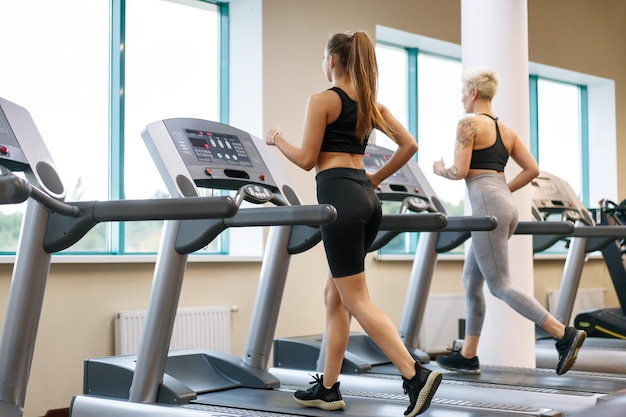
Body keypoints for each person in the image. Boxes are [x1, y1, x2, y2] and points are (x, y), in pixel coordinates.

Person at [265, 30, 441, 416]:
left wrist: (278, 140)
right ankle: (328, 387)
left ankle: (414, 374)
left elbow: (308, 159)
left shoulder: (323, 100)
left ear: (332, 60)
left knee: (356, 299)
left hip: (339, 196)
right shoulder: (370, 103)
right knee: (336, 296)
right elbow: (409, 145)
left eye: (322, 57)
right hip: (366, 195)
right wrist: (375, 180)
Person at [432, 67, 587, 376]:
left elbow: (460, 172)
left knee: (500, 285)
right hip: (505, 205)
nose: (462, 98)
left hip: (488, 207)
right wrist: (504, 190)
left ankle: (562, 333)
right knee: (471, 281)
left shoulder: (468, 124)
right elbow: (531, 169)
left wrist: (440, 169)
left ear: (474, 93)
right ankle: (468, 354)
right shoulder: (507, 131)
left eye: (463, 92)